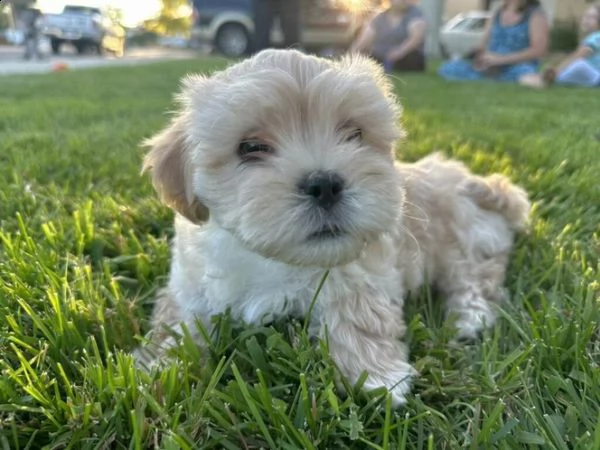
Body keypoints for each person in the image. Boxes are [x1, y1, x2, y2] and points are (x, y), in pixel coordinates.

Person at [438, 0, 549, 84]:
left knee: (526, 77)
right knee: (450, 67)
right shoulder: (497, 12)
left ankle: (541, 78)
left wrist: (501, 60)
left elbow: (538, 51)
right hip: (490, 65)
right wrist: (479, 56)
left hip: (517, 65)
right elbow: (484, 43)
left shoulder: (535, 15)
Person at [522, 3, 600, 88]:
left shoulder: (594, 38)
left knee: (579, 65)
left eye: (592, 18)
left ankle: (550, 79)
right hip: (593, 73)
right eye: (586, 16)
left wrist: (557, 71)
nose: (586, 20)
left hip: (595, 74)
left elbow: (577, 56)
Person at [350, 0, 427, 72]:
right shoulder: (379, 18)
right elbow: (364, 40)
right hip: (381, 56)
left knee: (410, 58)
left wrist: (399, 52)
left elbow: (415, 39)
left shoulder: (415, 15)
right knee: (371, 58)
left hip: (406, 56)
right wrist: (351, 55)